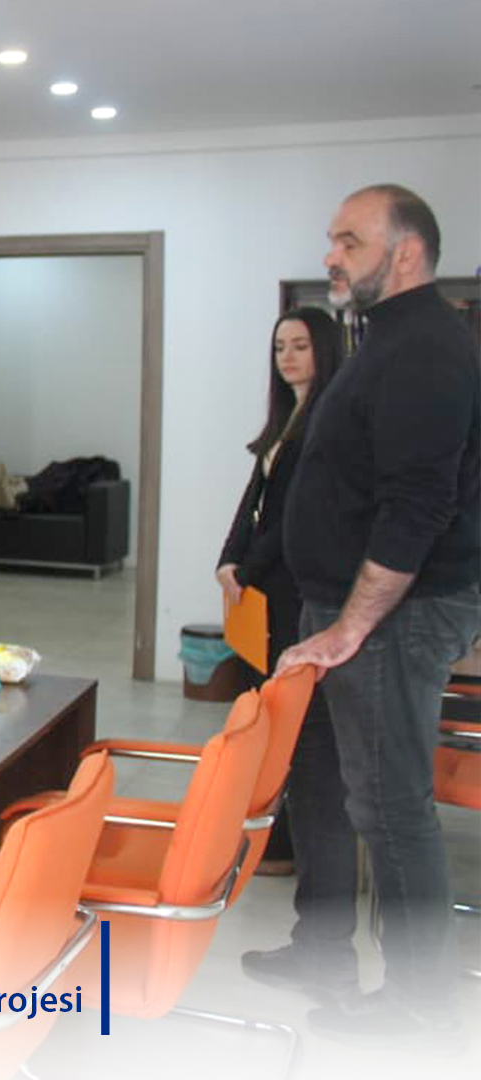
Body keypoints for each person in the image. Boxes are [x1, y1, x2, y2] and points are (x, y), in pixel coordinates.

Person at [266, 185, 481, 1045]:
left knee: (392, 809)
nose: (331, 255)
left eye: (350, 241)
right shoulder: (383, 336)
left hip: (393, 618)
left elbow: (417, 505)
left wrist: (352, 626)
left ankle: (420, 1004)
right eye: (332, 240)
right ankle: (328, 951)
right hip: (354, 611)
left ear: (407, 252)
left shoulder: (427, 346)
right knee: (336, 784)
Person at [216, 309, 345, 878]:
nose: (287, 357)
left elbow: (293, 515)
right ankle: (269, 836)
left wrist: (247, 568)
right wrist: (228, 559)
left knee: (286, 717)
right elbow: (255, 499)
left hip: (292, 586)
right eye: (279, 347)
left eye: (300, 346)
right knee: (262, 710)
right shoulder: (286, 419)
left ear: (325, 350)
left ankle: (284, 842)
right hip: (262, 585)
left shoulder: (327, 419)